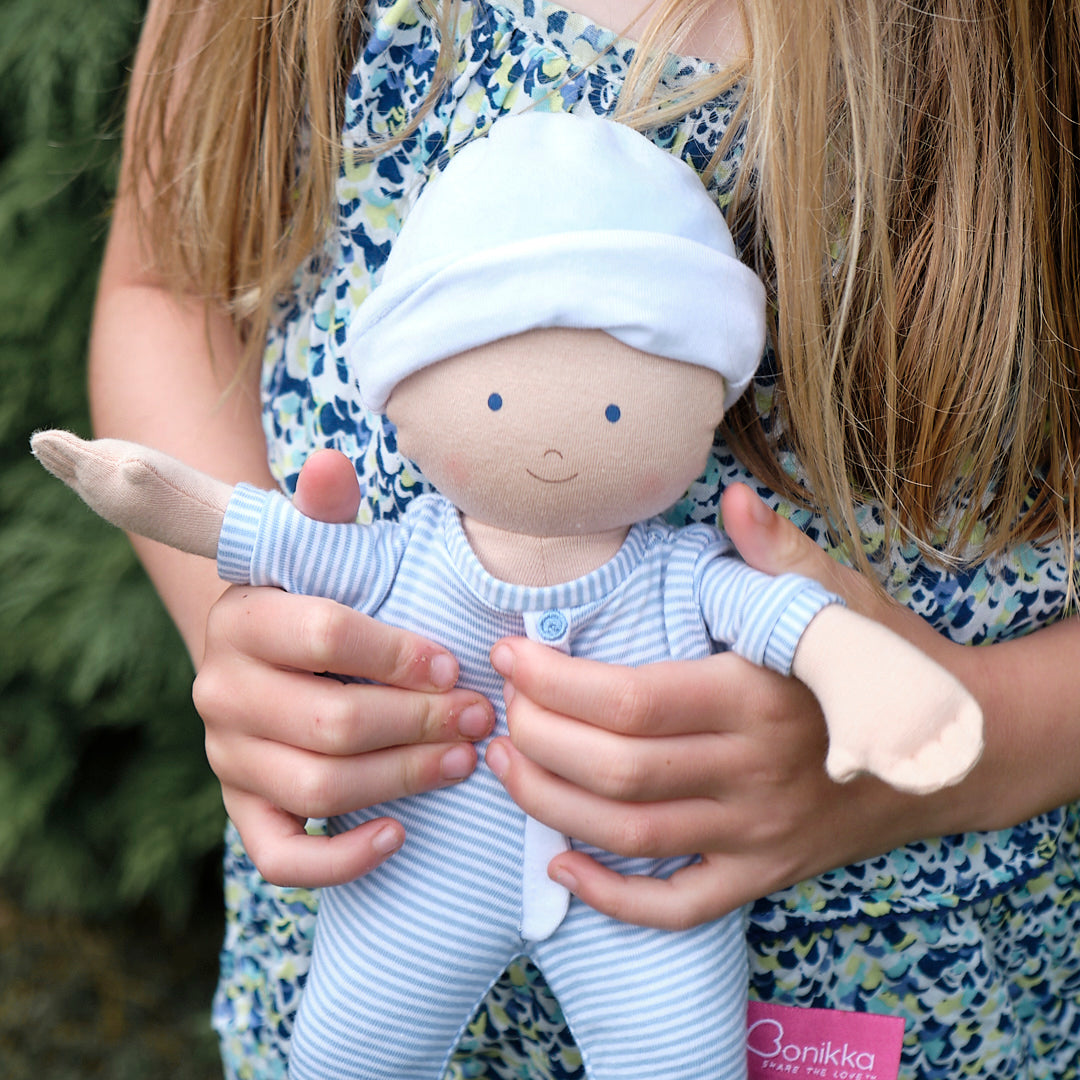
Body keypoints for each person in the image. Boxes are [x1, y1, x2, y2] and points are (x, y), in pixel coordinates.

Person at [88, 0, 1079, 1077]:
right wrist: (274, 661)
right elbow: (164, 287)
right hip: (363, 914)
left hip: (906, 995)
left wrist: (950, 751)